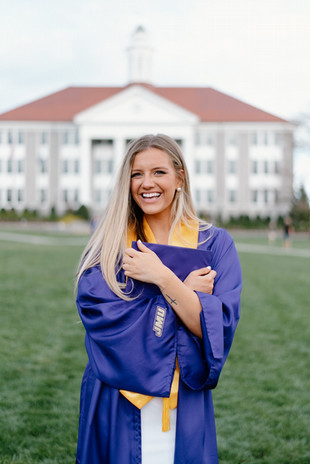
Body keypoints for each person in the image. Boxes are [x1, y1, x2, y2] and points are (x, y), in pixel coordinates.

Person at [75, 134, 242, 464]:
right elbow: (108, 327)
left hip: (185, 399)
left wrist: (163, 278)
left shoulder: (215, 244)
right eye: (137, 174)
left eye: (159, 172)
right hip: (118, 397)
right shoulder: (109, 246)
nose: (146, 183)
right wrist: (183, 294)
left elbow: (217, 329)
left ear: (180, 177)